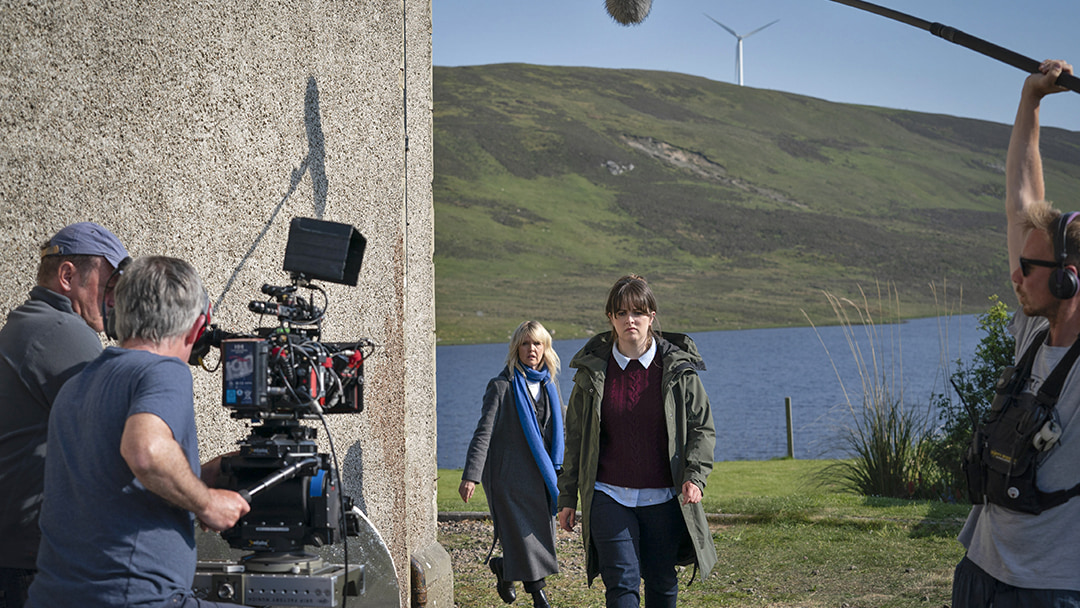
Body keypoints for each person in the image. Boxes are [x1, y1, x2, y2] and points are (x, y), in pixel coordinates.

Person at [26, 256, 251, 608]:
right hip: (135, 598)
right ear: (196, 327)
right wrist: (207, 504)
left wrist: (201, 476)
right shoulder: (164, 371)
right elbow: (145, 451)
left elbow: (108, 477)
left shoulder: (77, 383)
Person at [951, 59, 1080, 607]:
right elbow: (1021, 203)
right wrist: (1031, 100)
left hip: (1049, 589)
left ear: (1070, 277)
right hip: (981, 568)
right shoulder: (1033, 328)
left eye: (1029, 267)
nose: (1014, 275)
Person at [557, 274, 717, 608]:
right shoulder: (592, 372)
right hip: (608, 496)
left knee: (661, 582)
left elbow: (702, 427)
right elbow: (575, 439)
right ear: (611, 319)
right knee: (621, 585)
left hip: (663, 497)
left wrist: (695, 476)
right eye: (621, 313)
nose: (630, 319)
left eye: (638, 312)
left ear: (651, 316)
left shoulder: (677, 370)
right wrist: (568, 496)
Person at [0, 222, 128, 608]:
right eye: (108, 287)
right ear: (68, 275)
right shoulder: (61, 330)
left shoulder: (25, 324)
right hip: (34, 567)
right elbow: (125, 440)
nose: (112, 301)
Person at [460, 320, 563, 608]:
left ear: (545, 349)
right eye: (526, 343)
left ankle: (504, 568)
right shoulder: (501, 386)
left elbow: (560, 430)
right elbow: (484, 431)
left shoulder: (550, 386)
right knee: (524, 537)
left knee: (536, 537)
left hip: (543, 477)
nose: (532, 349)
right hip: (507, 479)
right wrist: (471, 475)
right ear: (516, 348)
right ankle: (539, 596)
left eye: (537, 343)